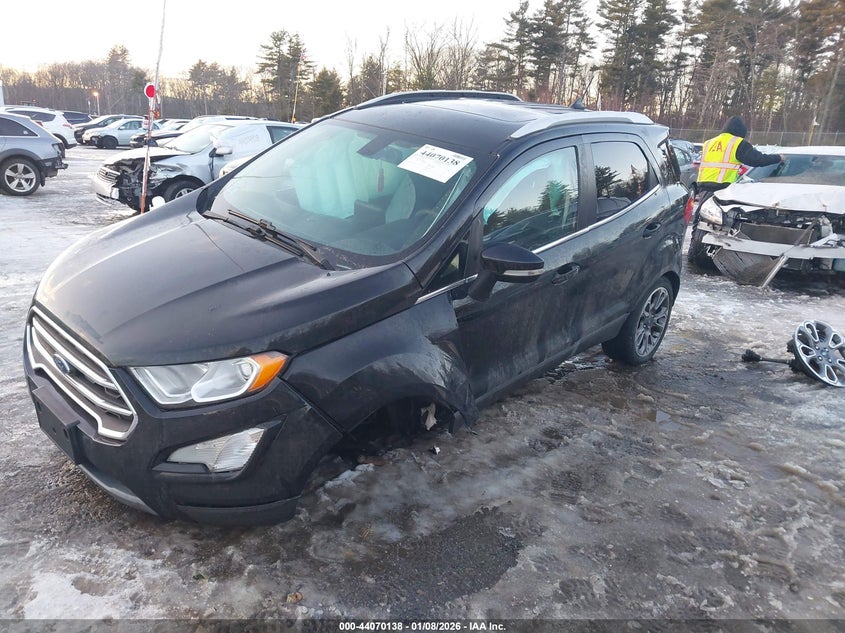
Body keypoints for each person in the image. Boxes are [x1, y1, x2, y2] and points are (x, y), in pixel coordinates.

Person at [697, 115, 784, 194]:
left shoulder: (709, 143)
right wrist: (778, 158)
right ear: (740, 131)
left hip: (703, 188)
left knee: (704, 210)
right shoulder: (737, 143)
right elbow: (758, 159)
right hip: (722, 189)